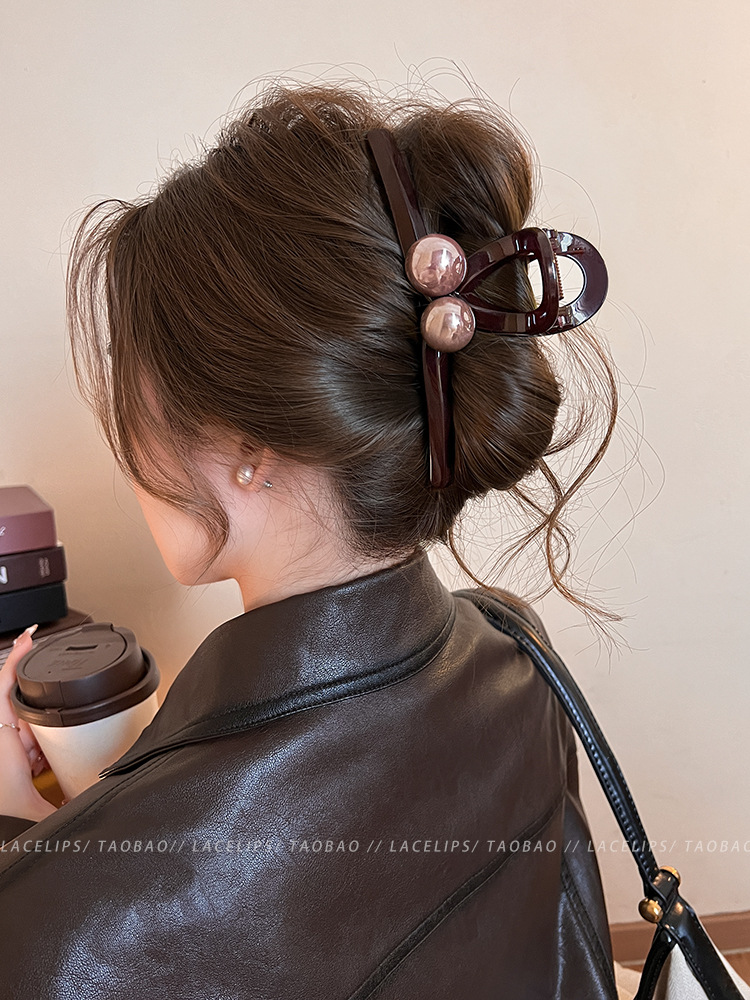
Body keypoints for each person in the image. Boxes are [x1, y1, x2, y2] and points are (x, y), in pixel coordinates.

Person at [0, 83, 623, 998]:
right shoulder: (514, 652)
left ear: (249, 448)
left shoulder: (49, 929)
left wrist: (31, 846)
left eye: (137, 389)